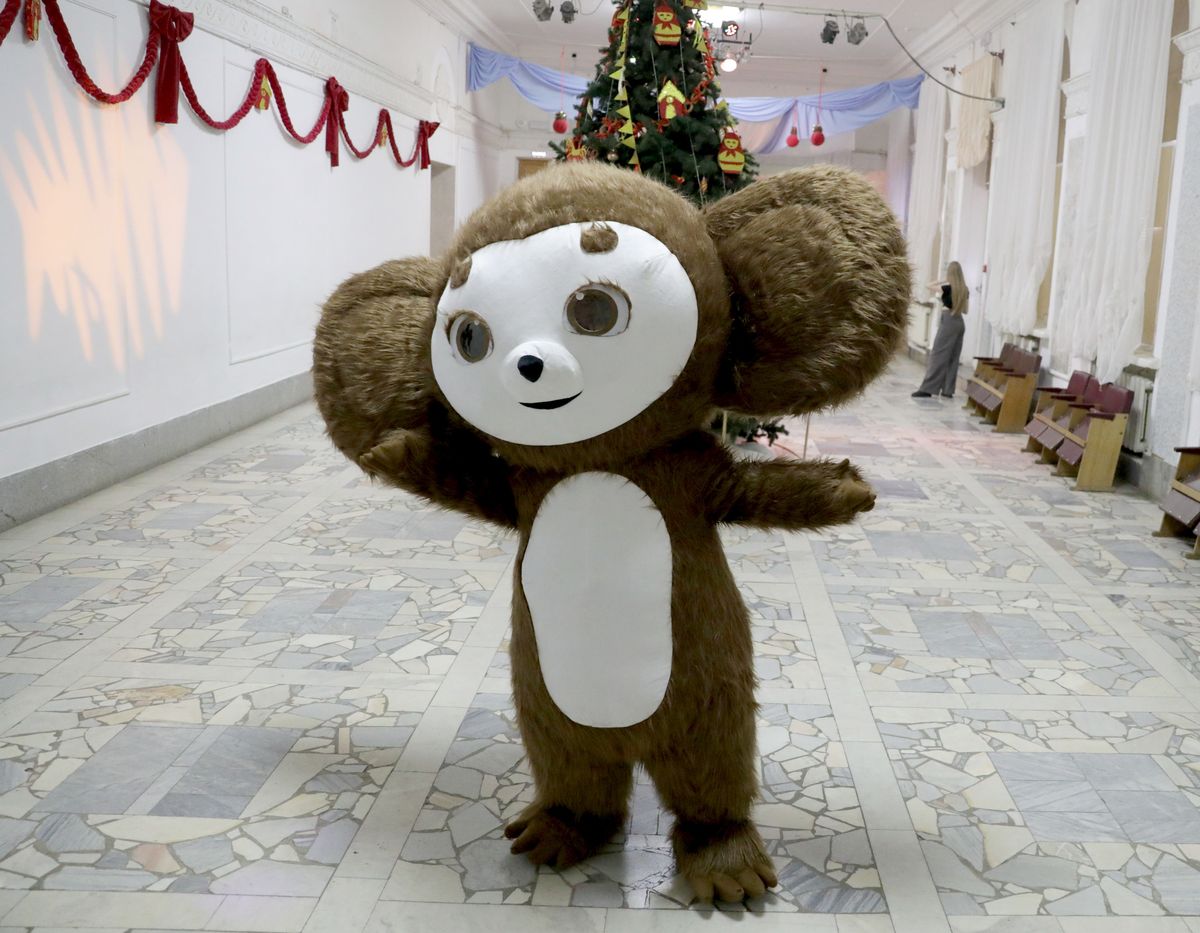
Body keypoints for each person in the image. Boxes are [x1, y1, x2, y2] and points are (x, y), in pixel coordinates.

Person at [912, 260, 969, 399]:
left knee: (938, 355)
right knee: (953, 357)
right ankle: (948, 390)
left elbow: (928, 285)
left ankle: (927, 389)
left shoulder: (947, 287)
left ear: (950, 274)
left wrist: (943, 280)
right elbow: (966, 310)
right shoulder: (965, 289)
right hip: (959, 322)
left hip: (948, 321)